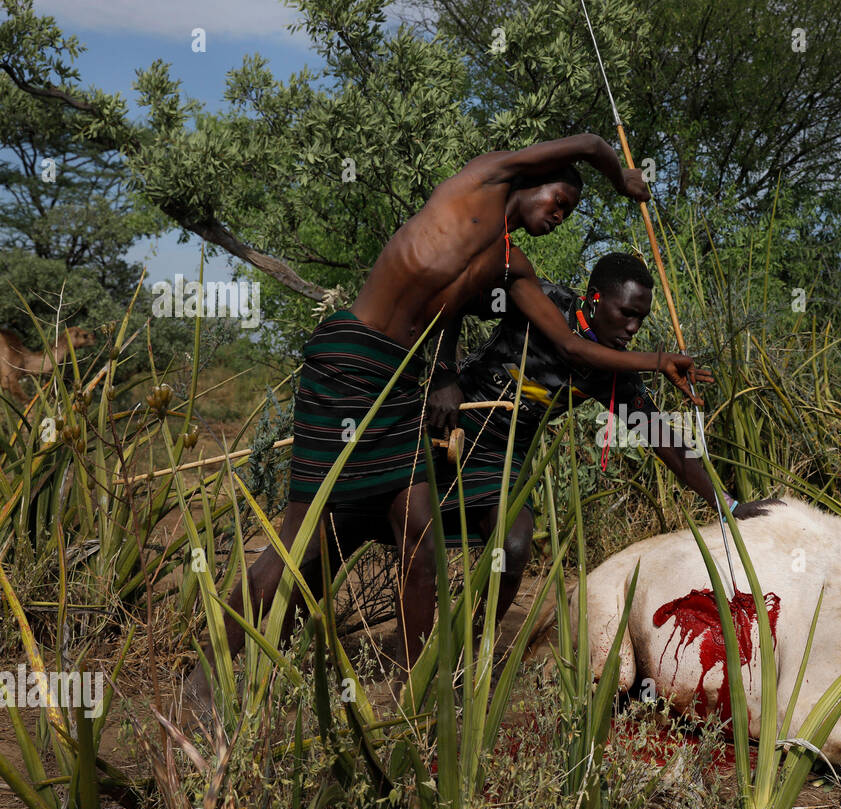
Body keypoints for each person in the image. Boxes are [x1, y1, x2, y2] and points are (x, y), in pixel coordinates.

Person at [186, 134, 711, 710]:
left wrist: (660, 364)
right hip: (354, 361)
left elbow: (560, 343)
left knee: (423, 543)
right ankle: (207, 680)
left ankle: (415, 699)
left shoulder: (511, 265)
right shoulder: (482, 180)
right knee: (303, 545)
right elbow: (588, 142)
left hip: (401, 385)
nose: (560, 217)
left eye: (570, 212)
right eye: (559, 201)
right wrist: (620, 178)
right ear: (531, 177)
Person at [440, 251, 781, 624]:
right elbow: (453, 301)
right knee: (415, 531)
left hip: (507, 456)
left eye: (641, 318)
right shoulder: (543, 301)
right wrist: (443, 377)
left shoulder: (614, 374)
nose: (633, 327)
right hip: (452, 422)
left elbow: (670, 447)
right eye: (626, 312)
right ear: (595, 297)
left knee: (515, 547)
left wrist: (729, 507)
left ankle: (471, 650)